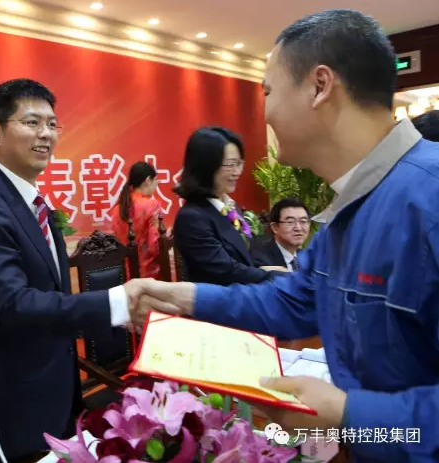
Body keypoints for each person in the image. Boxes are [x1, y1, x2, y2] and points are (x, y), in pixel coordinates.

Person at [130, 9, 439, 463]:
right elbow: (295, 300)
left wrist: (349, 415)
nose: (266, 112)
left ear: (319, 86)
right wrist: (185, 297)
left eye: (268, 92)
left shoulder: (428, 198)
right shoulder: (352, 203)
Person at [0, 78, 143, 462]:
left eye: (52, 124)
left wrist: (117, 315)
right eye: (32, 122)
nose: (46, 134)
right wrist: (115, 303)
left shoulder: (31, 200)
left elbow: (52, 295)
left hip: (50, 385)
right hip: (6, 401)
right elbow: (14, 306)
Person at [172, 127, 285, 286]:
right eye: (230, 164)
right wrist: (275, 276)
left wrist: (271, 269)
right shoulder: (192, 218)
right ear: (206, 167)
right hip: (219, 298)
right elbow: (226, 271)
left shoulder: (230, 207)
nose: (237, 172)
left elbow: (248, 256)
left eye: (239, 163)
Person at [111, 161, 162, 278]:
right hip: (149, 274)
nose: (156, 185)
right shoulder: (152, 205)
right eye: (155, 181)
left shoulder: (117, 208)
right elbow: (155, 247)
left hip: (125, 274)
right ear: (148, 180)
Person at [252, 198, 310, 270]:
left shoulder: (309, 258)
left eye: (303, 221)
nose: (298, 228)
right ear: (274, 227)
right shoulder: (260, 260)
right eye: (290, 222)